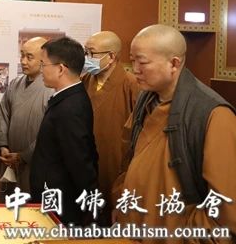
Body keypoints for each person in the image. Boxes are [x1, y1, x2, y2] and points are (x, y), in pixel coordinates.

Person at [115, 24, 235, 241]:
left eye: (142, 62)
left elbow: (225, 208)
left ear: (174, 63)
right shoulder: (145, 99)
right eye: (132, 60)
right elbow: (129, 156)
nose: (134, 69)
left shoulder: (213, 114)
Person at [30, 36, 99, 226]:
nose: (41, 70)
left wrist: (89, 205)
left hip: (62, 202)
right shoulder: (66, 98)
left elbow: (79, 160)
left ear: (61, 69)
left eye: (43, 64)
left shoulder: (71, 106)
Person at [81, 30, 140, 225]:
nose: (87, 58)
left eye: (92, 53)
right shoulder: (85, 80)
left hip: (114, 161)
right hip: (86, 159)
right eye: (85, 53)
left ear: (111, 57)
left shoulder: (131, 84)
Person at [0, 37, 53, 202]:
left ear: (43, 60)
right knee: (8, 203)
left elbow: (49, 131)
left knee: (32, 205)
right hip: (9, 158)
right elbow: (3, 114)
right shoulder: (15, 83)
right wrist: (3, 145)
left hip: (35, 161)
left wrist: (24, 155)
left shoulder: (51, 88)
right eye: (22, 55)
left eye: (29, 57)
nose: (23, 61)